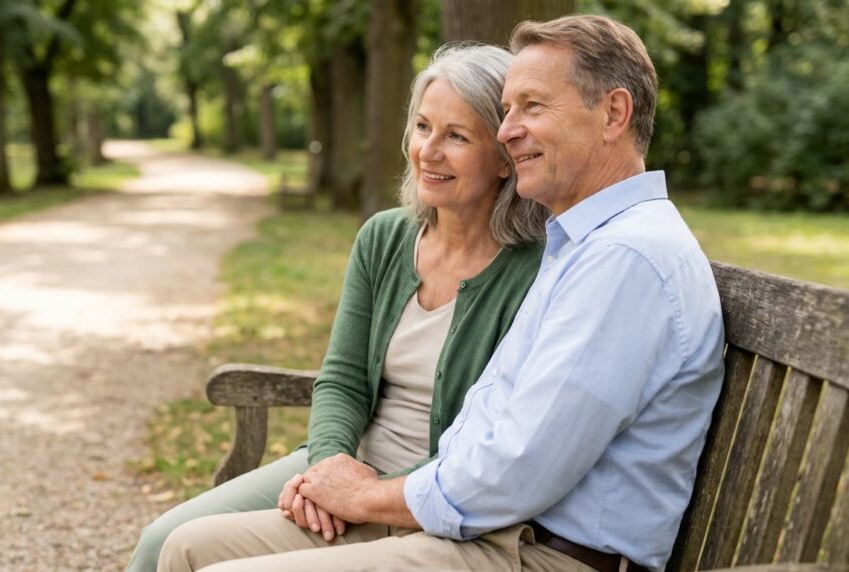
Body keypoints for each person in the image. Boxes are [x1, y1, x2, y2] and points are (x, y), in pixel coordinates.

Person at [157, 14, 725, 572]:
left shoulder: (624, 259)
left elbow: (515, 472)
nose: (507, 131)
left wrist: (364, 496)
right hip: (483, 526)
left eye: (532, 106)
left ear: (614, 114)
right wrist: (337, 471)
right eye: (506, 111)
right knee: (186, 548)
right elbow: (438, 413)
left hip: (535, 548)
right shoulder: (583, 245)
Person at [125, 43, 547, 572]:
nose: (429, 151)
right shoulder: (384, 238)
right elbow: (343, 379)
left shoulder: (535, 270)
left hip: (427, 496)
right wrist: (329, 469)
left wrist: (365, 494)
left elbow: (496, 444)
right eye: (422, 127)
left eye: (456, 136)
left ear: (505, 159)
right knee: (160, 541)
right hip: (345, 463)